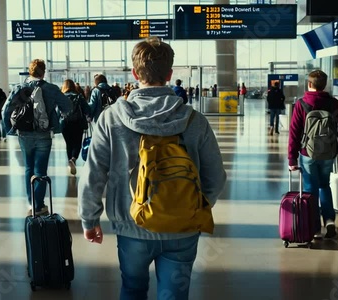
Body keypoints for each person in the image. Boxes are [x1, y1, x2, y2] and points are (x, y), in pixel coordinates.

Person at [78, 36, 227, 299]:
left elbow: (94, 173)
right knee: (174, 294)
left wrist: (89, 218)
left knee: (133, 289)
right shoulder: (195, 120)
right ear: (170, 74)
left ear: (135, 73)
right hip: (183, 227)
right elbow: (216, 176)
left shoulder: (111, 118)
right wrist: (192, 206)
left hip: (131, 224)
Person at [2, 59, 72, 215]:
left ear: (30, 71)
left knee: (29, 168)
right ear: (43, 72)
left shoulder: (19, 88)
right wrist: (56, 118)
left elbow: (5, 111)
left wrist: (11, 130)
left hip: (24, 134)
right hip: (44, 134)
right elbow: (67, 106)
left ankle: (30, 202)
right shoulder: (51, 89)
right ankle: (38, 204)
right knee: (40, 169)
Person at [288, 70, 338, 239]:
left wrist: (291, 158)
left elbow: (294, 133)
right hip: (328, 153)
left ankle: (314, 227)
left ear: (309, 84)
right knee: (325, 185)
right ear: (325, 85)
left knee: (310, 190)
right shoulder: (333, 104)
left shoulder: (302, 104)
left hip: (307, 153)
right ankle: (329, 220)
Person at [60, 79, 91, 175]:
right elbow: (87, 109)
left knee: (69, 143)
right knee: (77, 142)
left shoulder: (61, 97)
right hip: (78, 122)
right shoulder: (79, 96)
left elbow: (57, 111)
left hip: (65, 123)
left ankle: (70, 160)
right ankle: (73, 159)